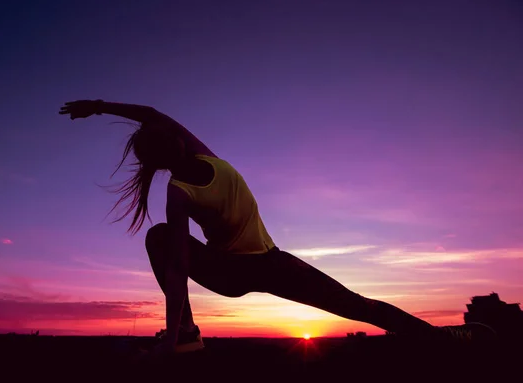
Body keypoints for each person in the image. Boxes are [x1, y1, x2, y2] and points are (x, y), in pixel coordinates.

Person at [59, 100, 492, 355]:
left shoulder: (200, 156)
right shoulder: (180, 191)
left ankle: (443, 338)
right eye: (164, 133)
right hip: (231, 270)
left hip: (271, 262)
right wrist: (173, 338)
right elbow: (177, 265)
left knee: (356, 305)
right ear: (169, 149)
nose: (171, 129)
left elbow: (150, 113)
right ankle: (187, 336)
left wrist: (99, 106)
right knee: (159, 238)